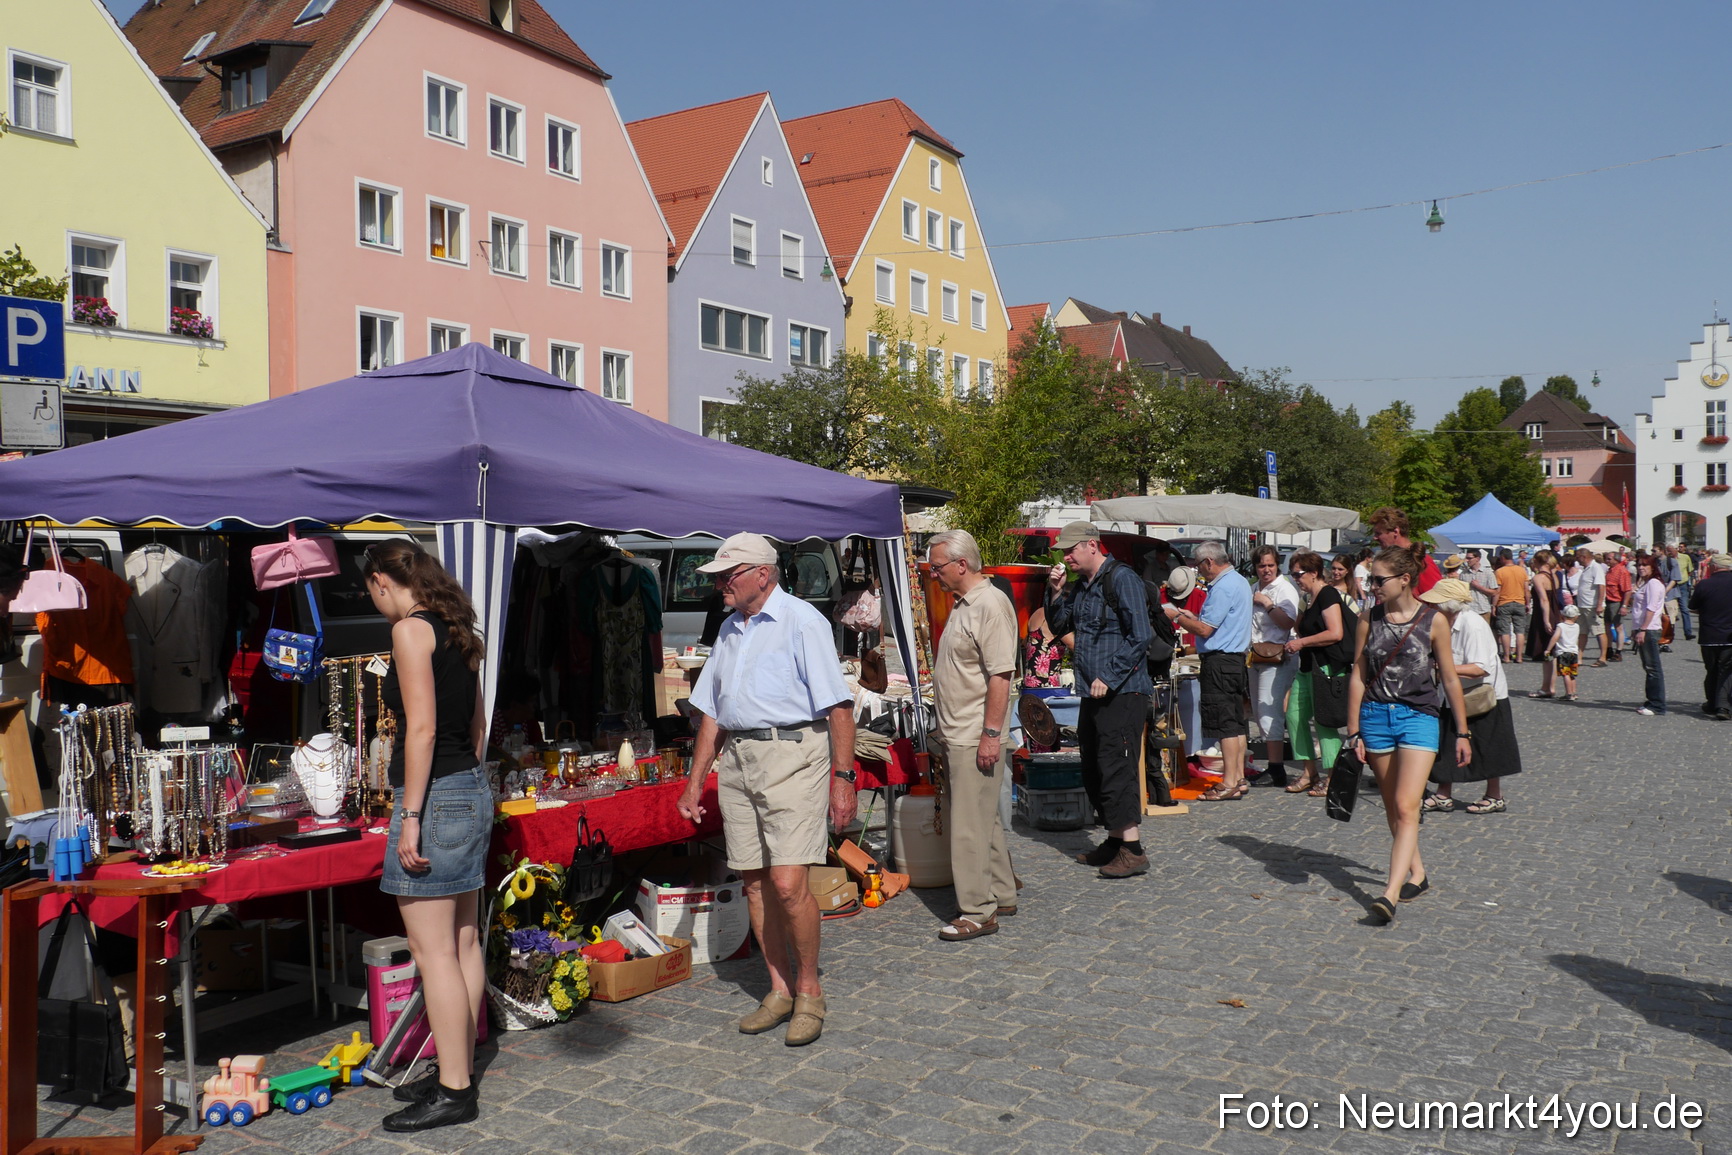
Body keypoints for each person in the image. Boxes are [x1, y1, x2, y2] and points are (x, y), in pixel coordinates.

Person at [677, 533, 857, 1045]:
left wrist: (843, 782)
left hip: (793, 756)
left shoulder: (803, 621)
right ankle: (778, 989)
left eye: (726, 574)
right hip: (739, 760)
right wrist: (695, 784)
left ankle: (809, 990)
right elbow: (711, 712)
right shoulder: (732, 628)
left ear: (763, 573)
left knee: (786, 884)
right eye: (716, 576)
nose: (718, 584)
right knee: (755, 882)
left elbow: (838, 707)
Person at [363, 540, 489, 1131]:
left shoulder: (412, 632)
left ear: (382, 582)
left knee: (433, 950)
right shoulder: (460, 628)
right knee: (462, 942)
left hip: (435, 795)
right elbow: (477, 725)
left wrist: (411, 813)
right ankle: (456, 1070)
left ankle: (454, 1088)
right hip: (467, 783)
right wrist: (467, 779)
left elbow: (422, 729)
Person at [1345, 549, 1472, 925]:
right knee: (1391, 805)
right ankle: (1417, 873)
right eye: (1371, 580)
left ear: (1404, 579)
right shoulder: (1368, 618)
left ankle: (1389, 893)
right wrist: (1353, 731)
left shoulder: (1434, 621)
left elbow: (1449, 678)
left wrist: (1463, 732)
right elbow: (1358, 674)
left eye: (1378, 580)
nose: (1372, 587)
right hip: (1375, 716)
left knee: (1406, 805)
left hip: (1419, 717)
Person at [1044, 522, 1154, 878]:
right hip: (1093, 690)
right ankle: (1114, 840)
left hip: (1123, 690)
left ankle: (1133, 850)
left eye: (1070, 549)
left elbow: (1140, 635)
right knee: (1094, 765)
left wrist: (1109, 675)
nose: (1066, 556)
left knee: (1117, 766)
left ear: (1092, 545)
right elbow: (1060, 625)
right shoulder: (1083, 585)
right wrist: (1056, 592)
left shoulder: (1122, 579)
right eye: (1063, 551)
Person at [925, 530, 1018, 941]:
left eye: (937, 567)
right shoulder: (966, 603)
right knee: (983, 819)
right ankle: (1001, 892)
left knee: (967, 826)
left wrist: (990, 735)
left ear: (962, 565)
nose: (934, 575)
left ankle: (978, 911)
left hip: (973, 732)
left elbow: (1001, 676)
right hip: (960, 729)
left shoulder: (990, 605)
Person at [1420, 578, 1521, 815]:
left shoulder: (1473, 624)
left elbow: (1480, 667)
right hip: (1451, 694)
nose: (1430, 608)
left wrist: (1440, 668)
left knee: (1488, 746)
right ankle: (1443, 794)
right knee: (1446, 742)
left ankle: (1495, 796)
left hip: (1481, 695)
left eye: (1435, 604)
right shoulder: (1444, 623)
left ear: (1448, 605)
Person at [1162, 540, 1253, 801]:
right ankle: (1237, 779)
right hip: (1234, 660)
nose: (1199, 572)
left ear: (1209, 562)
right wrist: (1191, 615)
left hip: (1221, 661)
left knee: (1224, 723)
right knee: (1235, 723)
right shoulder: (1239, 581)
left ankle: (1228, 782)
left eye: (1199, 566)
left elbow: (1205, 630)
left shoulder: (1223, 586)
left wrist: (1177, 617)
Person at [1282, 551, 1351, 797]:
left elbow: (1335, 632)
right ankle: (1309, 772)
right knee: (1294, 717)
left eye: (1298, 574)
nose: (1295, 579)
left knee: (1324, 722)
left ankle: (1332, 775)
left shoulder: (1328, 594)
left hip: (1326, 668)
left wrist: (1302, 643)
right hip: (1307, 667)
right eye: (1292, 574)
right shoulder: (1309, 598)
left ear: (1313, 572)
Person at [1247, 545, 1300, 788]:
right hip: (1256, 655)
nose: (1266, 569)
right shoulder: (1254, 587)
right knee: (1259, 713)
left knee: (1270, 712)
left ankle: (1276, 768)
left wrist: (1267, 604)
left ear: (1277, 565)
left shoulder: (1284, 588)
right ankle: (1272, 765)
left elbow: (1287, 621)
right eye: (1261, 565)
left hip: (1278, 657)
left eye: (1270, 565)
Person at [1689, 553, 1732, 720]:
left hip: (1709, 635)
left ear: (1713, 566)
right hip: (1729, 636)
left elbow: (1693, 607)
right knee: (1727, 671)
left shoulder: (1704, 585)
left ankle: (1713, 702)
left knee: (1712, 670)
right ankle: (1723, 706)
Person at [1628, 553, 1668, 716]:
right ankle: (1651, 700)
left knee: (1653, 668)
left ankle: (1657, 704)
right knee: (1648, 667)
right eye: (1638, 565)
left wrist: (1643, 629)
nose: (1641, 568)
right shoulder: (1645, 583)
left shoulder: (1653, 583)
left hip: (1650, 629)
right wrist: (1636, 628)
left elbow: (1651, 608)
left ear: (1652, 567)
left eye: (1644, 565)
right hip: (1643, 628)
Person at [1368, 507, 1443, 594]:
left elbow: (1438, 599)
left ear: (1396, 532)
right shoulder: (1389, 559)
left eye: (1378, 533)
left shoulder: (1419, 561)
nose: (1375, 538)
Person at [1525, 550, 1563, 697]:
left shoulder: (1538, 578)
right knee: (1551, 654)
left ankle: (1546, 688)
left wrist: (1546, 620)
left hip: (1544, 615)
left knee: (1546, 654)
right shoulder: (1554, 576)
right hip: (1556, 614)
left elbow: (1543, 600)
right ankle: (1549, 687)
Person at [1570, 548, 1609, 665]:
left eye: (1578, 557)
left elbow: (1601, 586)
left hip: (1592, 605)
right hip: (1583, 605)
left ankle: (1602, 657)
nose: (1577, 560)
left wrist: (1599, 604)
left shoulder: (1595, 568)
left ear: (1583, 557)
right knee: (1582, 632)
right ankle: (1579, 657)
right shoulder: (1586, 569)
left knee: (1599, 631)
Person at [1493, 550, 1530, 664]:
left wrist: (1494, 605)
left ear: (1503, 558)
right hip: (1519, 601)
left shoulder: (1499, 572)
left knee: (1505, 631)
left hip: (1504, 602)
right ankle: (1519, 657)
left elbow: (1497, 591)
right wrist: (1527, 603)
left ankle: (1506, 656)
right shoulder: (1522, 570)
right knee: (1520, 631)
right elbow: (1526, 589)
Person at [1022, 605, 1067, 690]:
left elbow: (1025, 642)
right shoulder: (1055, 616)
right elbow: (1075, 645)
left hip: (1030, 681)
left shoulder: (1037, 613)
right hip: (1047, 684)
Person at [1545, 605, 1583, 701]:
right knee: (1572, 674)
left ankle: (1568, 693)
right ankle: (1574, 693)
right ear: (1576, 616)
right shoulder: (1577, 626)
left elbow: (1555, 637)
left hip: (1563, 653)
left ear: (1563, 615)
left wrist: (1548, 649)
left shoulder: (1561, 626)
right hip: (1573, 652)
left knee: (1565, 673)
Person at [1603, 547, 1632, 661]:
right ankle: (1609, 649)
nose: (1607, 561)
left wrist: (1624, 606)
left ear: (1616, 559)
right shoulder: (1610, 570)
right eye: (1606, 559)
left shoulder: (1622, 571)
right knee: (1607, 627)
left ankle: (1618, 651)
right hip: (1607, 601)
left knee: (1618, 627)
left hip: (1616, 602)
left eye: (1609, 559)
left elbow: (1627, 590)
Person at [1461, 549, 1497, 626]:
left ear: (1477, 559)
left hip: (1482, 609)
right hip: (1468, 609)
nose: (1467, 560)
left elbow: (1494, 592)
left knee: (1483, 635)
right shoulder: (1463, 574)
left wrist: (1479, 587)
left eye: (1470, 558)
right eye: (1466, 558)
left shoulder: (1488, 573)